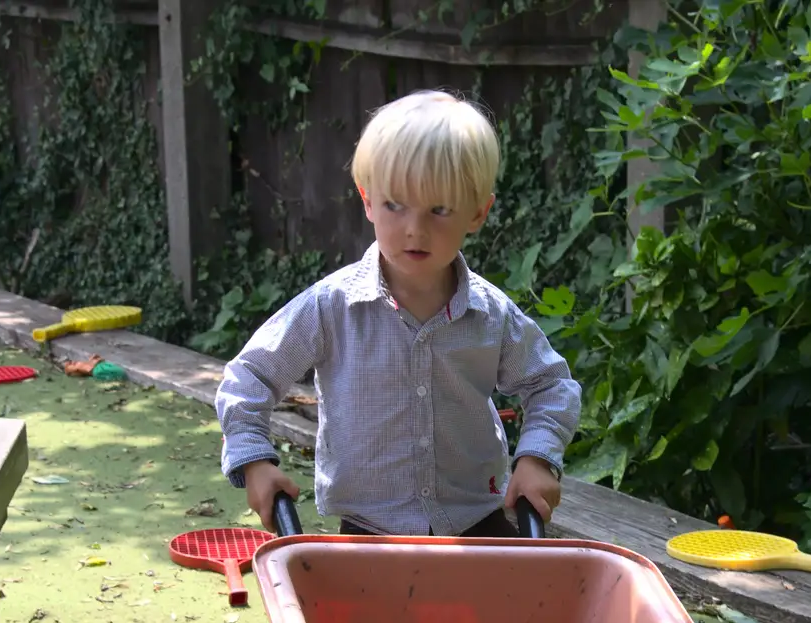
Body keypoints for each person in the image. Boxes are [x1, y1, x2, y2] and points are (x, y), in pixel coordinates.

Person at [215, 89, 581, 538]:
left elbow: (550, 385)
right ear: (367, 200)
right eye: (395, 205)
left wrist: (537, 458)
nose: (414, 229)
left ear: (478, 212)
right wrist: (253, 461)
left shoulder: (491, 316)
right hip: (370, 530)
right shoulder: (332, 308)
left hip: (476, 523)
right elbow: (248, 376)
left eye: (440, 210)